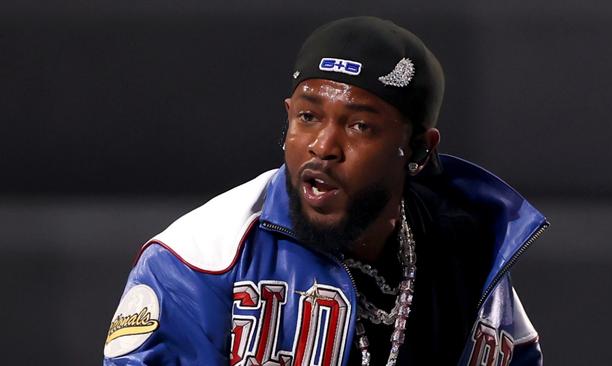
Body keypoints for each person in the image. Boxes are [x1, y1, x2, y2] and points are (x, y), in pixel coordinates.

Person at [103, 16, 548, 366]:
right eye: (308, 117)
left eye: (359, 125)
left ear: (416, 149)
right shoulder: (199, 258)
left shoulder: (470, 256)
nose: (323, 146)